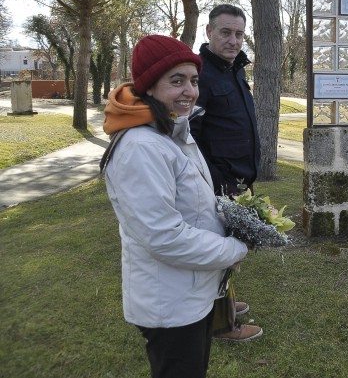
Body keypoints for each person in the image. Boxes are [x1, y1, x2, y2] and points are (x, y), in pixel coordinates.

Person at [100, 35, 254, 378]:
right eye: (177, 80)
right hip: (169, 304)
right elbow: (164, 236)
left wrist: (235, 217)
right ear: (149, 87)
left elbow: (194, 203)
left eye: (194, 80)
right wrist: (233, 248)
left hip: (191, 293)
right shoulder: (142, 146)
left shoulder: (171, 131)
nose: (190, 90)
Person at [190, 4, 262, 342]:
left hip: (238, 179)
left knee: (230, 249)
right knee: (218, 252)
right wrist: (213, 177)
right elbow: (191, 136)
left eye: (239, 34)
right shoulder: (199, 74)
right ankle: (222, 325)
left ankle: (227, 302)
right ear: (209, 33)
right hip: (217, 182)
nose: (233, 40)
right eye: (225, 32)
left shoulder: (235, 70)